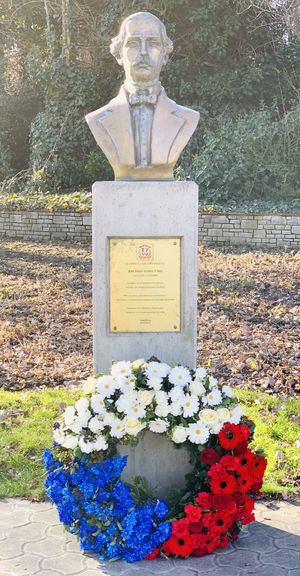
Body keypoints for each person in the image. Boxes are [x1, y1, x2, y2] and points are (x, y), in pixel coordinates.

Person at [85, 11, 199, 180]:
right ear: (118, 55)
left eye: (152, 43)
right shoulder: (97, 119)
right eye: (133, 43)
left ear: (165, 55)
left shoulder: (189, 118)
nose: (144, 52)